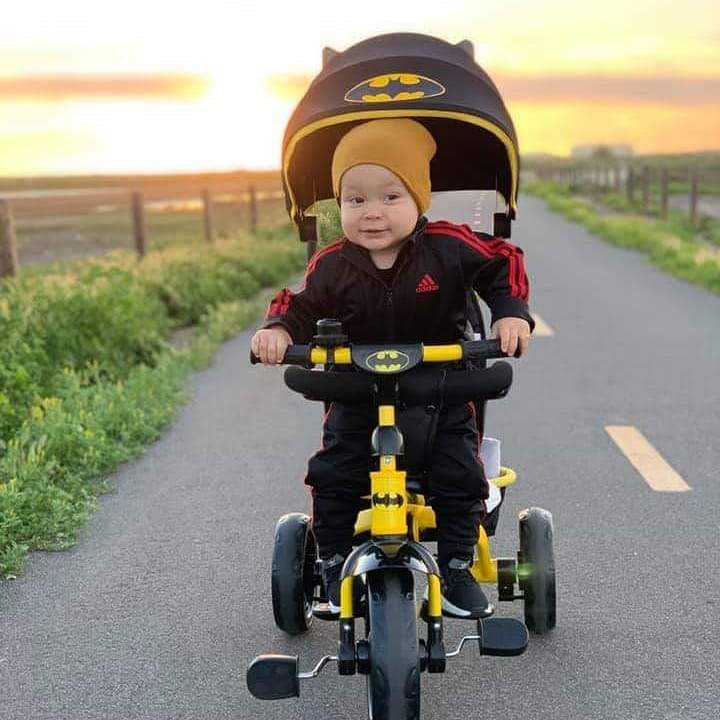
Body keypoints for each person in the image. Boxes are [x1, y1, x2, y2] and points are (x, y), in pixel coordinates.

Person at [251, 118, 533, 619]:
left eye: (390, 197)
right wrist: (278, 330)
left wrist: (510, 311)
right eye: (355, 200)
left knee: (457, 473)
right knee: (334, 473)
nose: (372, 213)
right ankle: (333, 559)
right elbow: (300, 304)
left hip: (439, 388)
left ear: (418, 199)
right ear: (340, 207)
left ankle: (457, 564)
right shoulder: (333, 264)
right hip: (359, 391)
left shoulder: (448, 246)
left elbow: (500, 260)